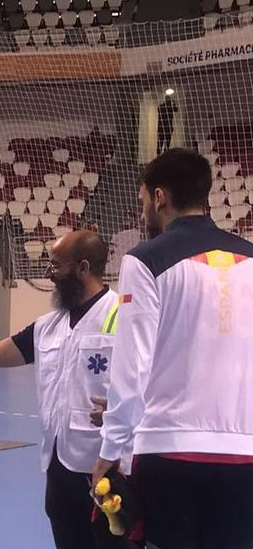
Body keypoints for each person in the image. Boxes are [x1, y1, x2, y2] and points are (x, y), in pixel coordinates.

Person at [94, 148, 253, 549]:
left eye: (144, 200)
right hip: (245, 453)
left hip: (169, 451)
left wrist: (110, 450)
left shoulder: (145, 261)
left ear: (159, 197)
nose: (144, 209)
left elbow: (132, 367)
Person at [0, 231, 132, 549]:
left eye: (56, 265)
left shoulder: (123, 318)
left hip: (107, 469)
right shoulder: (49, 325)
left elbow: (151, 386)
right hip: (59, 469)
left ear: (82, 267)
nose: (49, 272)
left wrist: (124, 410)